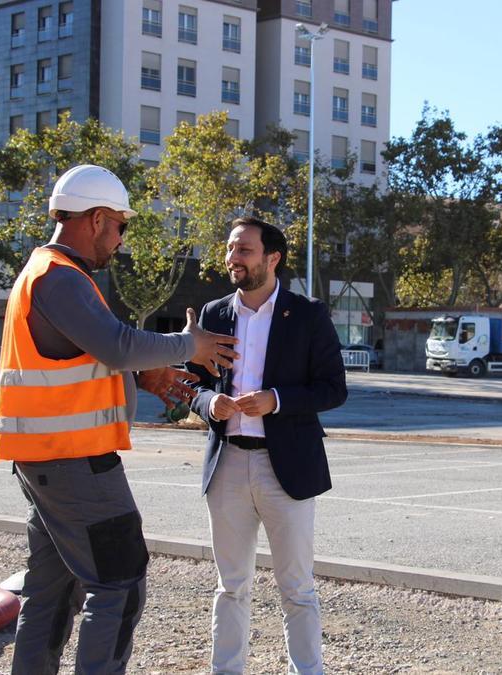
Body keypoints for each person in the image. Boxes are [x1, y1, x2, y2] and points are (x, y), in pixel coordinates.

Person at [0, 164, 240, 674]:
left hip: (48, 461)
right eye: (121, 226)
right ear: (97, 219)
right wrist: (188, 345)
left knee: (51, 591)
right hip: (75, 462)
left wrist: (142, 378)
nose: (121, 238)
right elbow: (118, 344)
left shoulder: (47, 273)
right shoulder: (60, 278)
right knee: (119, 586)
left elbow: (87, 356)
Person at [187, 216, 347, 675]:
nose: (232, 258)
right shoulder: (214, 314)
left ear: (272, 258)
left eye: (244, 250)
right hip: (227, 464)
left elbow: (333, 389)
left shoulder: (308, 314)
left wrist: (275, 400)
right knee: (230, 586)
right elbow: (192, 384)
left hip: (287, 469)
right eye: (230, 248)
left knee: (297, 587)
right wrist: (209, 402)